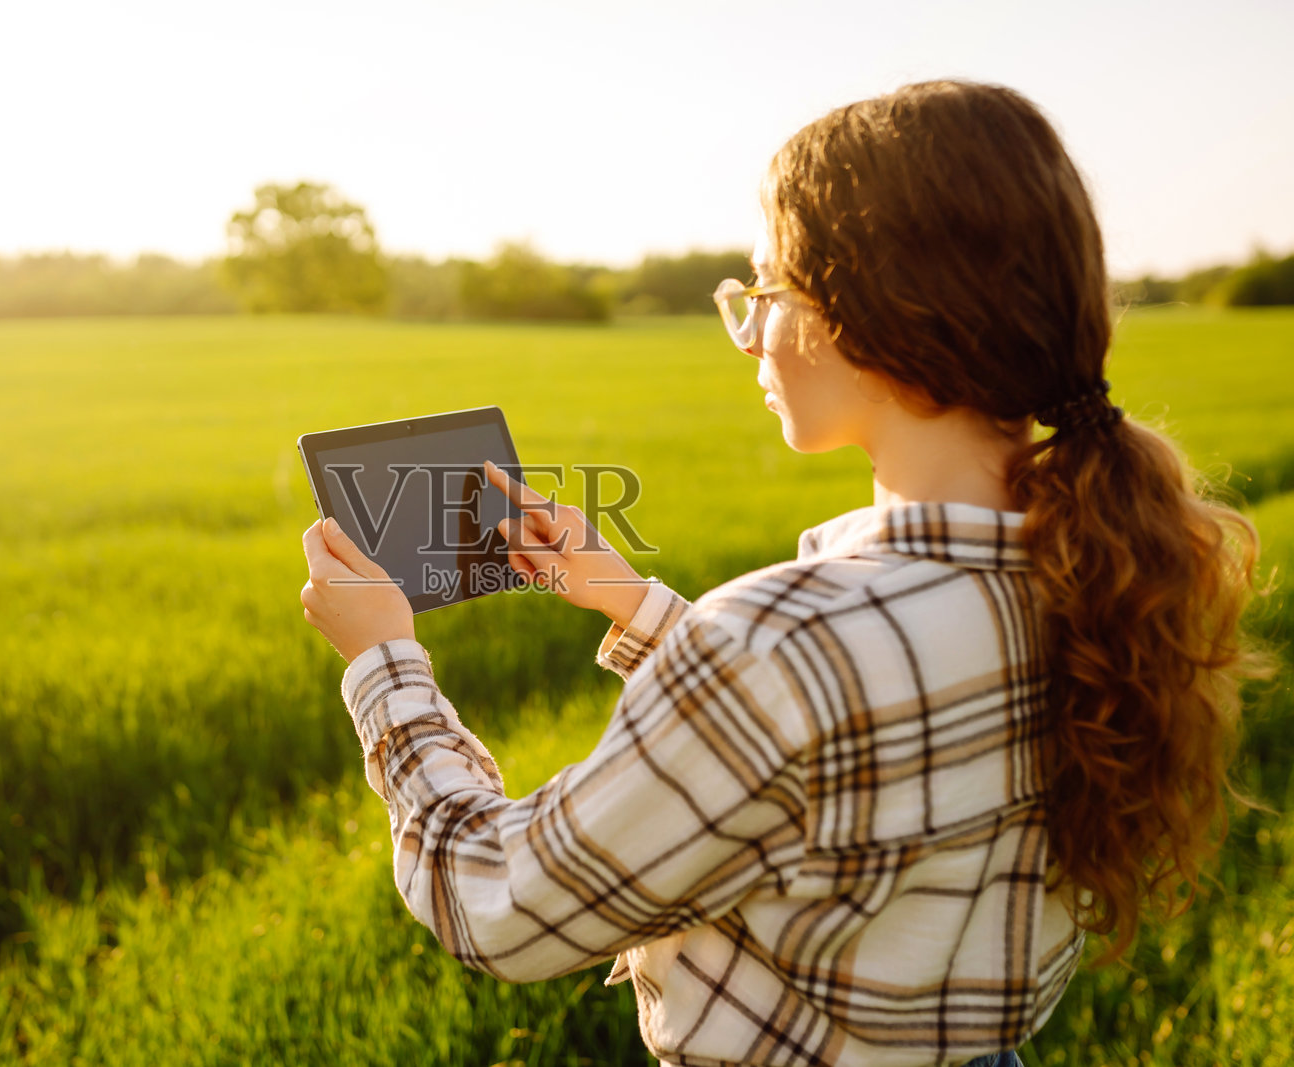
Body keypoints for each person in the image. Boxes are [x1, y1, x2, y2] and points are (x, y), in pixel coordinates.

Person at [298, 80, 1266, 1067]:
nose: (751, 330)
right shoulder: (1092, 567)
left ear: (877, 315)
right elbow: (855, 738)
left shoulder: (783, 641)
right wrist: (630, 603)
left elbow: (500, 902)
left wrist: (384, 663)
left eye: (767, 288)